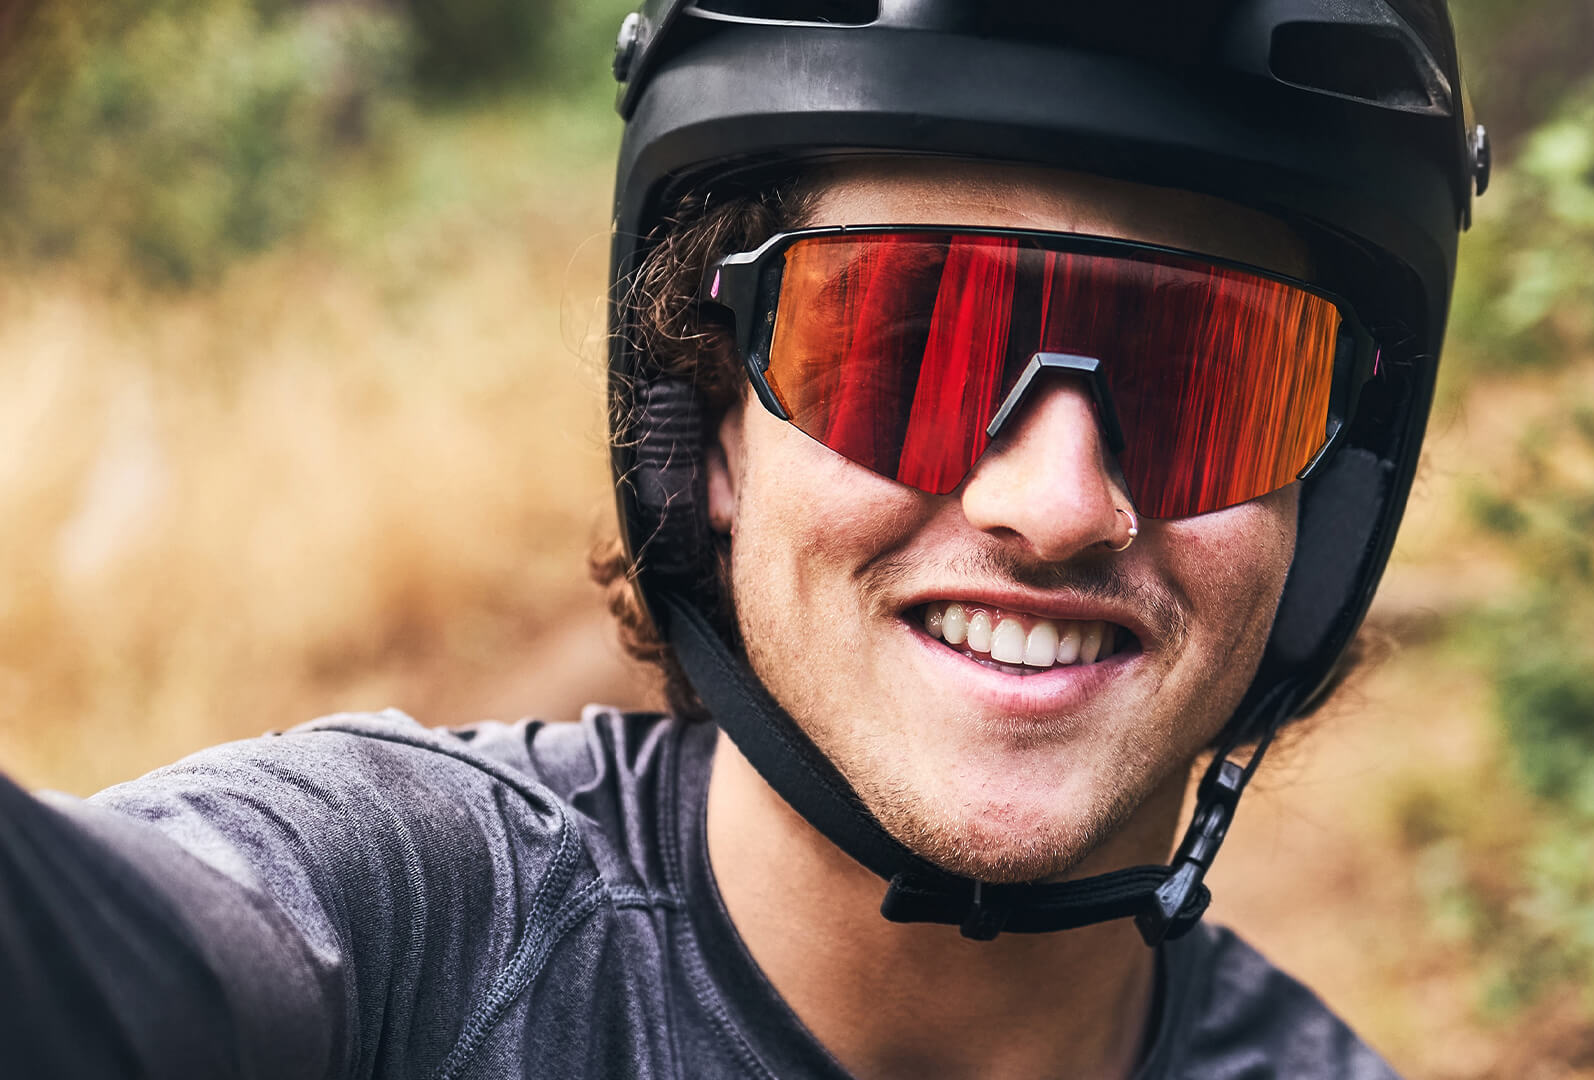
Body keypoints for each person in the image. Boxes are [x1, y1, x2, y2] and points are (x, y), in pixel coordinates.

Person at [0, 1, 1487, 1076]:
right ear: (709, 432)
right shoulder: (401, 930)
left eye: (1206, 386)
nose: (1050, 507)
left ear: (1328, 507)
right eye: (915, 355)